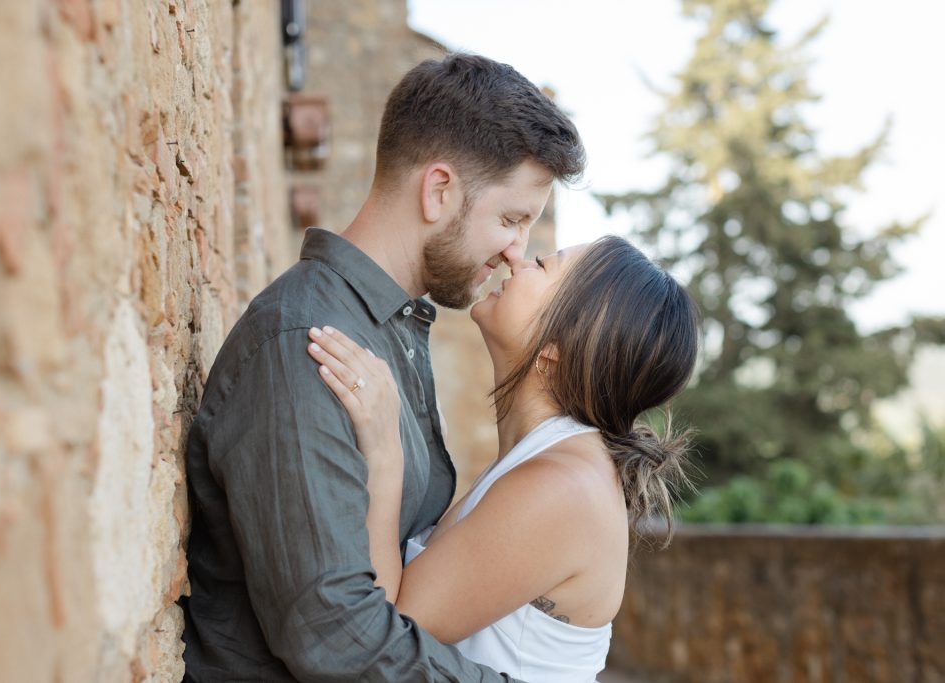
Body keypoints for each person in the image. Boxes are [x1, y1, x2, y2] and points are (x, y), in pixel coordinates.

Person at [180, 53, 585, 681]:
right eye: (511, 220)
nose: (516, 253)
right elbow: (336, 635)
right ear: (439, 190)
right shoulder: (308, 343)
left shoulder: (391, 328)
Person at [306, 235, 699, 682]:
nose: (516, 260)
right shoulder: (547, 460)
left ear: (557, 344)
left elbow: (383, 637)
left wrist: (384, 451)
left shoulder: (562, 487)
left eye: (542, 266)